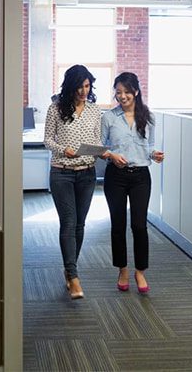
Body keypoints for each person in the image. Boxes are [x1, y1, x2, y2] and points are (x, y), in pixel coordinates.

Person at [101, 72, 164, 295]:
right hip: (115, 177)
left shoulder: (148, 117)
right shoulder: (108, 117)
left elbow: (150, 145)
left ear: (136, 91)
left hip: (140, 176)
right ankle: (123, 269)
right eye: (118, 92)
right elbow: (101, 148)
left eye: (127, 92)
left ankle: (140, 271)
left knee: (139, 225)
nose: (122, 96)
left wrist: (155, 154)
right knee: (118, 225)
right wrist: (110, 155)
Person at [44, 64, 102, 300]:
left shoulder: (94, 111)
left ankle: (69, 270)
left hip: (87, 174)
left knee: (80, 225)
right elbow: (47, 139)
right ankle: (74, 275)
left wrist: (104, 152)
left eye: (87, 86)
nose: (83, 91)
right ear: (70, 86)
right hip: (62, 173)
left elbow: (96, 141)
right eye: (79, 86)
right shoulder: (55, 108)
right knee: (68, 223)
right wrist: (63, 149)